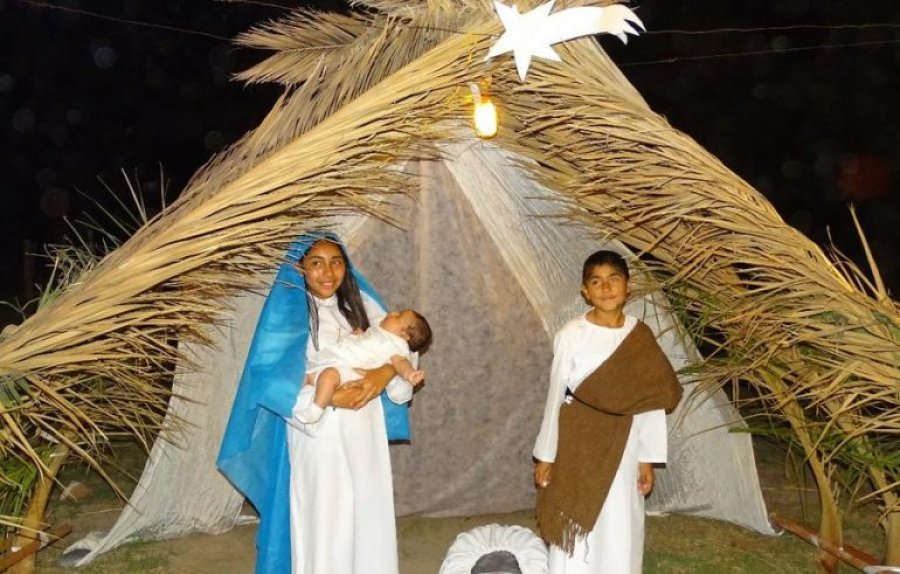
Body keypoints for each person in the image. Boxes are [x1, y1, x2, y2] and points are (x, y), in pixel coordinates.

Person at [218, 233, 416, 574]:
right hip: (319, 429)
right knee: (327, 516)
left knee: (368, 511)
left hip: (364, 428)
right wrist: (334, 395)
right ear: (300, 268)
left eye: (336, 262)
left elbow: (403, 346)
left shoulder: (363, 306)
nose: (328, 272)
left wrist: (383, 374)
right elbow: (271, 377)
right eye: (317, 262)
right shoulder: (287, 316)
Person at [532, 250, 682, 574]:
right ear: (585, 291)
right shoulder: (571, 335)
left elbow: (650, 402)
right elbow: (556, 394)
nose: (606, 287)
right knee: (575, 511)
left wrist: (646, 458)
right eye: (596, 281)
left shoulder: (640, 337)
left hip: (624, 443)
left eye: (614, 279)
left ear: (628, 286)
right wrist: (547, 454)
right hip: (578, 442)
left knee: (619, 516)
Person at [294, 308, 432, 425]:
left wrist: (409, 374)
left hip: (351, 372)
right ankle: (292, 396)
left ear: (404, 335)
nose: (392, 313)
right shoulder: (377, 331)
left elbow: (401, 363)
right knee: (303, 377)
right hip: (334, 362)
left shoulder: (396, 346)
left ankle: (315, 410)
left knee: (328, 376)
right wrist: (358, 337)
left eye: (398, 316)